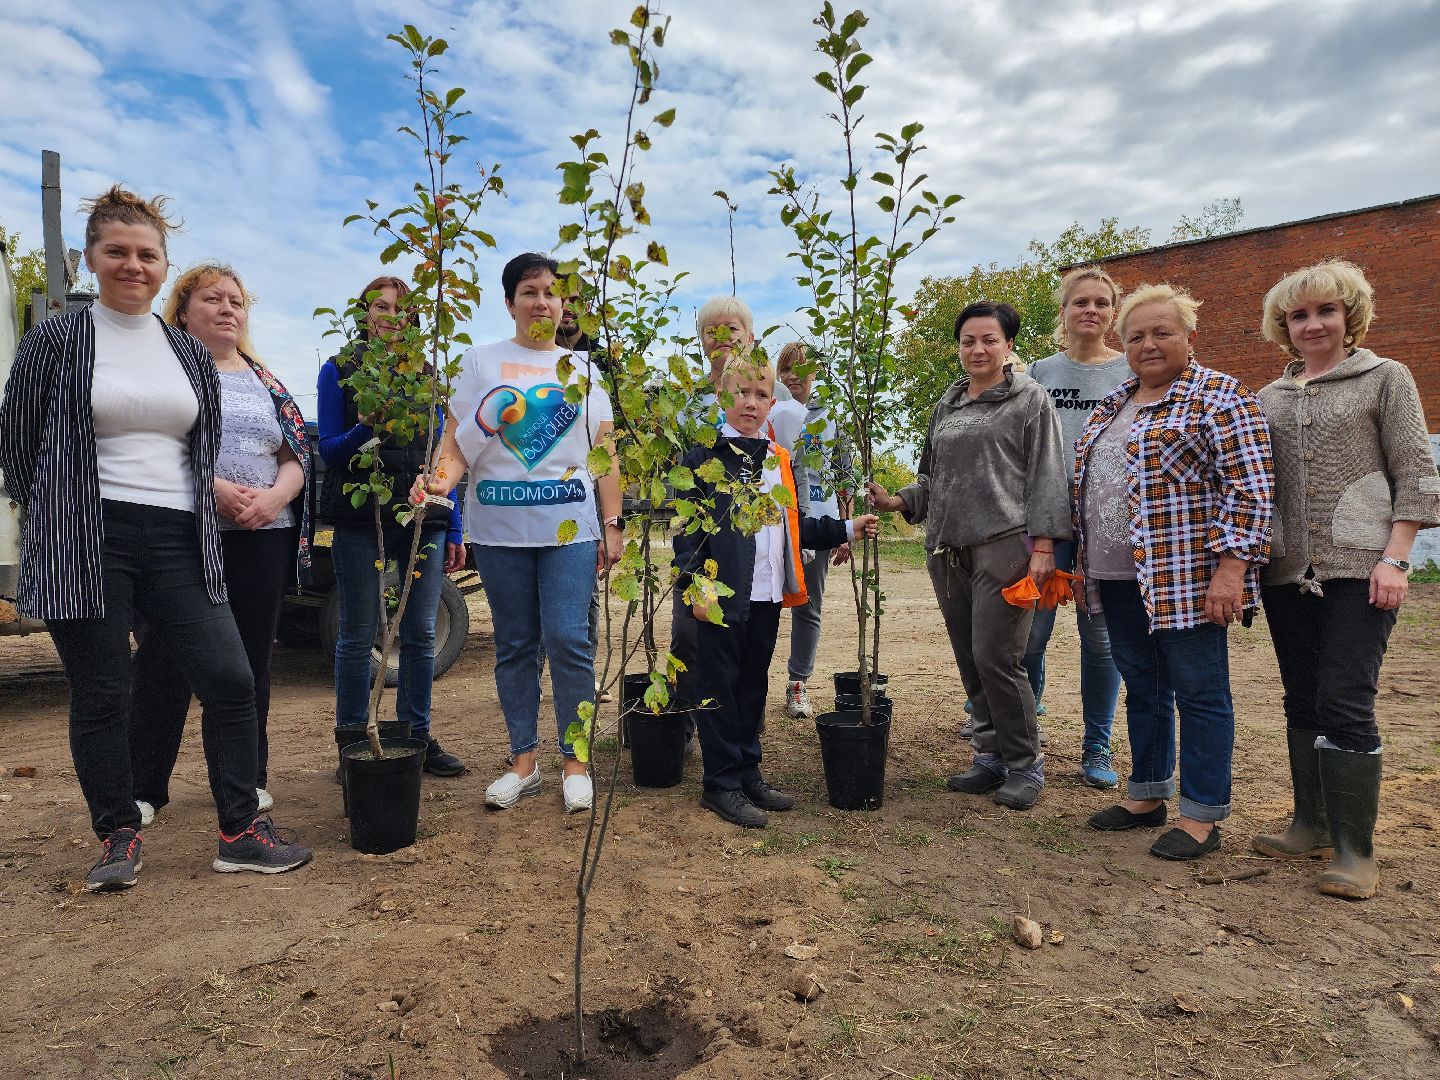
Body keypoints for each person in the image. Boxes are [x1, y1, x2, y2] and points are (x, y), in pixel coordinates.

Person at [0, 186, 312, 891]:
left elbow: (198, 448)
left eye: (147, 254)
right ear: (92, 258)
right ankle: (117, 834)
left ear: (163, 264)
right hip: (90, 537)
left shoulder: (186, 352)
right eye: (118, 252)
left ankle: (240, 831)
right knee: (105, 690)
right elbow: (16, 442)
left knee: (232, 679)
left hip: (178, 535)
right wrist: (50, 512)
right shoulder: (58, 338)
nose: (133, 265)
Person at [1250, 259, 1440, 899]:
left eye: (1325, 311)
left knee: (1345, 698)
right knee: (1300, 696)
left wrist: (1397, 556)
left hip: (1361, 566)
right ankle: (1310, 820)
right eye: (1298, 315)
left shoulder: (1387, 379)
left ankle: (1357, 851)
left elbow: (1416, 471)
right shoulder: (1269, 397)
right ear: (1283, 325)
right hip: (1285, 572)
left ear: (1349, 316)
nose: (1312, 324)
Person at [417, 253, 622, 813]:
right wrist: (436, 485)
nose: (542, 302)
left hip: (570, 532)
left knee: (569, 640)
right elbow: (458, 445)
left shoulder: (583, 371)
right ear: (510, 302)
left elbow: (604, 453)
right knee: (515, 645)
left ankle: (575, 760)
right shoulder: (480, 362)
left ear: (563, 306)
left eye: (552, 293)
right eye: (529, 291)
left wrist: (613, 522)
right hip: (500, 532)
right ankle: (524, 761)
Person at [1076, 283, 1273, 861]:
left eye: (1162, 332)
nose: (1148, 344)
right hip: (1117, 577)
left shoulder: (1219, 397)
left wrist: (1232, 570)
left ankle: (1201, 813)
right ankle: (1147, 793)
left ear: (1189, 336)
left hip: (1187, 578)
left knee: (1200, 691)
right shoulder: (1115, 401)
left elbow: (1252, 490)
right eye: (1136, 335)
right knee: (1144, 685)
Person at [868, 301, 1070, 812]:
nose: (977, 349)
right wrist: (899, 501)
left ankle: (1025, 765)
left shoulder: (1029, 399)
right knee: (969, 657)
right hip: (946, 547)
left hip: (1005, 546)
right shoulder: (949, 402)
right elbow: (934, 478)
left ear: (1008, 346)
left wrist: (1045, 545)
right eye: (968, 341)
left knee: (998, 658)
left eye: (989, 340)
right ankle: (990, 757)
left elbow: (1049, 473)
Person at [129, 263, 311, 825]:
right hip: (184, 536)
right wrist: (213, 489)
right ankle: (143, 788)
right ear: (183, 310)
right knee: (166, 659)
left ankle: (244, 782)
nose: (228, 309)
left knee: (251, 663)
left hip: (263, 537)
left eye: (236, 301)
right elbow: (146, 445)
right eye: (213, 299)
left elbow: (295, 455)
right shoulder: (164, 371)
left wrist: (275, 499)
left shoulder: (265, 379)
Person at [673, 355, 878, 827]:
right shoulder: (704, 459)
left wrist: (846, 527)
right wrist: (695, 584)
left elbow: (794, 524)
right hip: (720, 598)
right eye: (741, 392)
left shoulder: (777, 459)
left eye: (761, 394)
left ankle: (748, 773)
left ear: (773, 402)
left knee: (752, 684)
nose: (751, 402)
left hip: (764, 595)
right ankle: (719, 783)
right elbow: (686, 527)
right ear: (723, 396)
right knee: (719, 686)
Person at [317, 275, 466, 778]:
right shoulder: (340, 371)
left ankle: (416, 736)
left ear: (415, 320)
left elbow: (445, 459)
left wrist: (456, 527)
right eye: (379, 307)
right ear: (363, 315)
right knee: (358, 634)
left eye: (401, 311)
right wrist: (366, 425)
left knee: (422, 634)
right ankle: (354, 740)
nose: (390, 318)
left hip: (425, 522)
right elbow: (330, 452)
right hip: (363, 519)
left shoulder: (428, 378)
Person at [668, 297, 804, 716]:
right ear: (701, 340)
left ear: (750, 335)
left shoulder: (775, 394)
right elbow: (680, 467)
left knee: (752, 645)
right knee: (691, 632)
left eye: (732, 330)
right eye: (712, 331)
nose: (722, 339)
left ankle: (746, 728)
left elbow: (785, 461)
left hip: (756, 537)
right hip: (707, 538)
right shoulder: (691, 400)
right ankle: (691, 720)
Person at [1023, 266, 1129, 788]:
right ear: (1063, 313)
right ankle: (1024, 722)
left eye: (1102, 303)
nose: (1091, 310)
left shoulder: (1132, 371)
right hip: (1046, 522)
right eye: (1080, 302)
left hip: (1107, 525)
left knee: (1101, 638)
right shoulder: (1039, 373)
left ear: (1114, 313)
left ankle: (1097, 744)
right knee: (1031, 632)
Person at [774, 342, 853, 719]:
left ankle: (798, 683)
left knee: (809, 605)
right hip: (774, 522)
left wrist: (843, 525)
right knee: (766, 604)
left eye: (799, 369)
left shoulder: (830, 415)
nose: (791, 377)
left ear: (815, 373)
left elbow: (843, 471)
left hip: (818, 524)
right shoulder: (768, 410)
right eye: (785, 369)